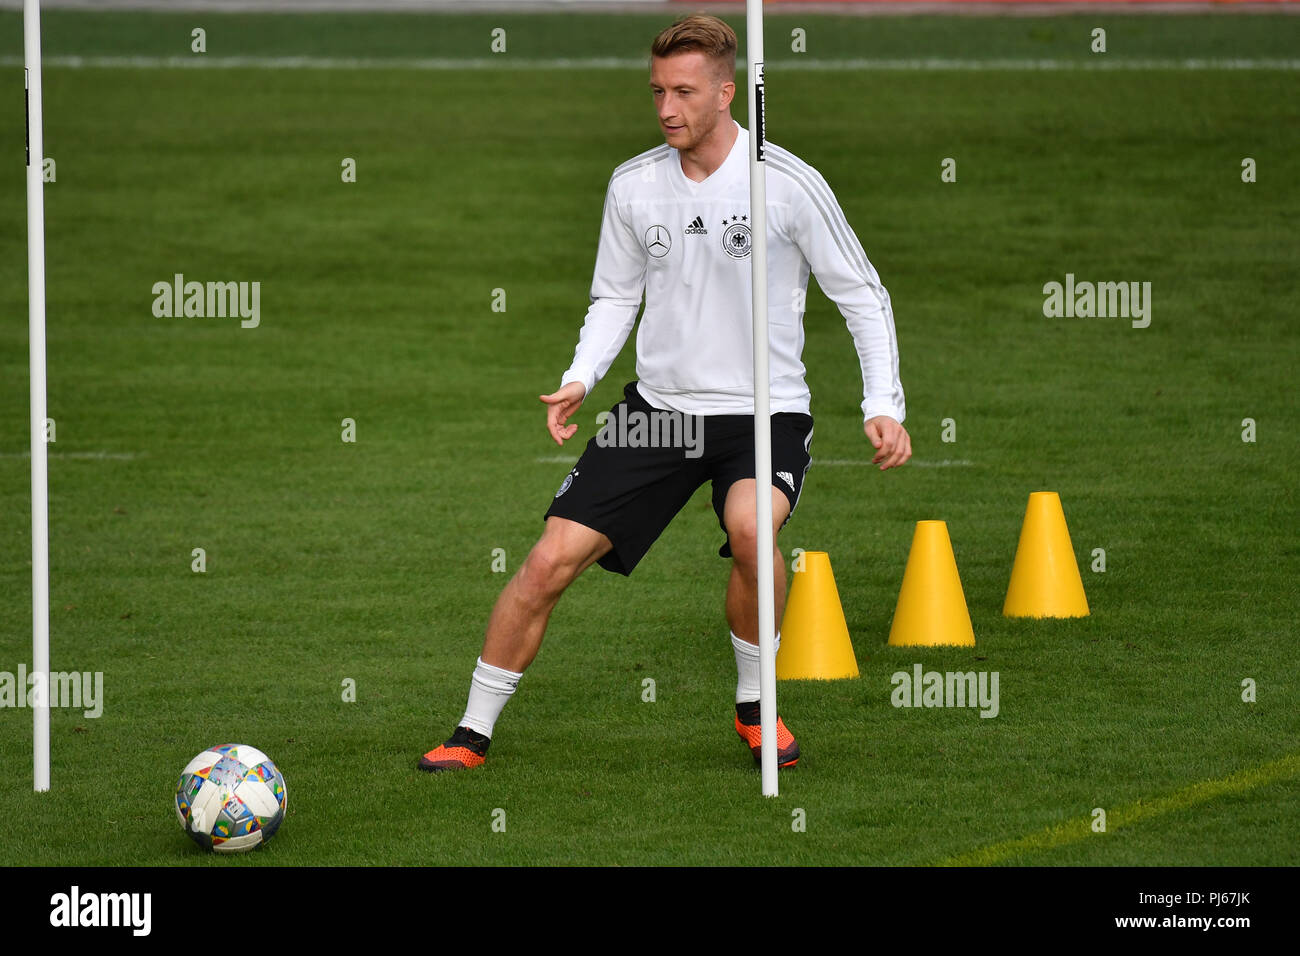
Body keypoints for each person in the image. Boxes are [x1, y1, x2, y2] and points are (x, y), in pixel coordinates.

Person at [418, 13, 910, 774]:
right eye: (657, 92)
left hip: (762, 413)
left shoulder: (786, 185)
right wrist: (581, 376)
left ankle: (756, 709)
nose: (666, 108)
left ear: (727, 92)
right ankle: (470, 732)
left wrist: (883, 405)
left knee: (753, 534)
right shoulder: (634, 185)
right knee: (548, 561)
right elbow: (615, 296)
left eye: (683, 92)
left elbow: (863, 296)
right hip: (659, 413)